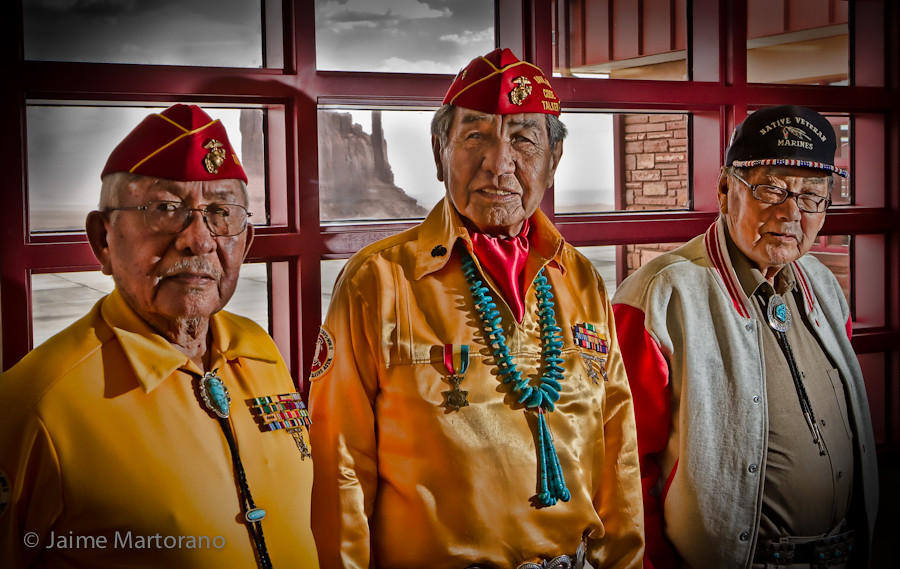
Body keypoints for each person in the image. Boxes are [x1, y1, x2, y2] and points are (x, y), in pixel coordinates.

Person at [307, 48, 644, 569]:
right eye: (475, 136)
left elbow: (618, 449)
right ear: (441, 151)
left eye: (524, 140)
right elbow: (339, 465)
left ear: (553, 162)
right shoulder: (378, 281)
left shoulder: (581, 278)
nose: (498, 163)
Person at [0, 104, 319, 568]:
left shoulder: (259, 349)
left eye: (221, 212)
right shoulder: (35, 404)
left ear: (245, 243)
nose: (199, 239)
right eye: (165, 209)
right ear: (102, 240)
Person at [612, 105, 878, 569]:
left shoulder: (822, 284)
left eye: (812, 194)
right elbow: (620, 464)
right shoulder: (661, 293)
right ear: (724, 188)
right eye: (771, 188)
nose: (791, 212)